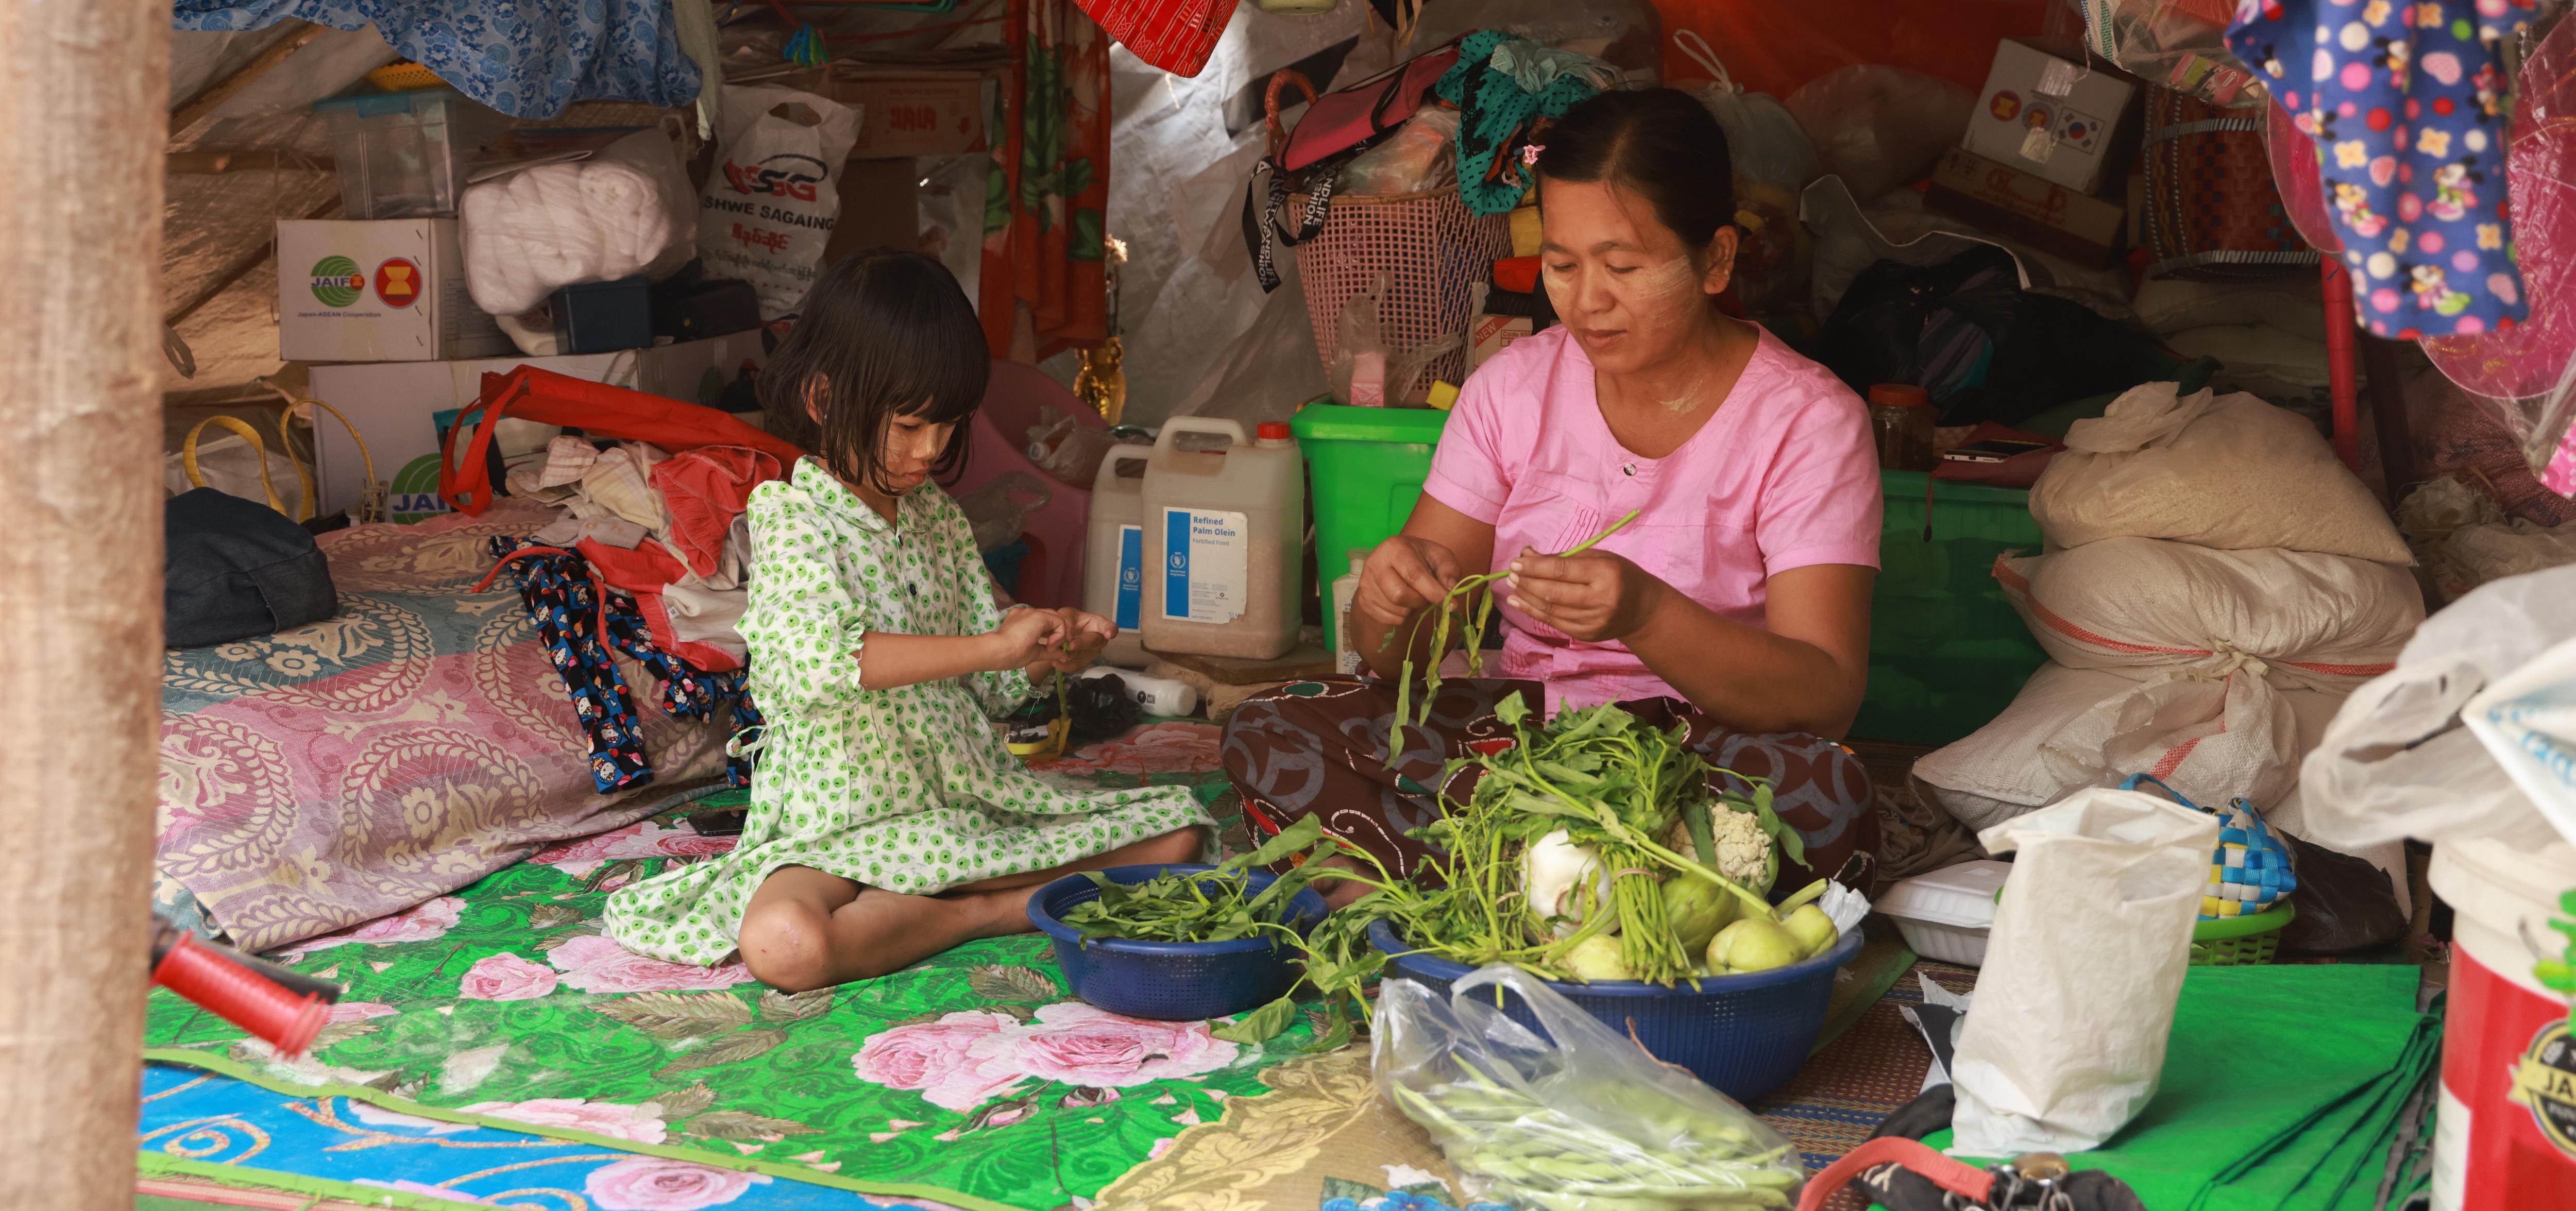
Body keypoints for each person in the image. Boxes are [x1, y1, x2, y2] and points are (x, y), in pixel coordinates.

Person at [1223, 88, 1885, 890]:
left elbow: (1827, 697)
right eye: (1563, 265)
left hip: (1701, 753)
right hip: (1527, 743)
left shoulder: (1808, 421)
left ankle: (1483, 880)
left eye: (1624, 266)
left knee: (1830, 795)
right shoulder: (1512, 389)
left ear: (1715, 259)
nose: (1587, 299)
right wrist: (1386, 602)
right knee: (1272, 722)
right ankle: (1573, 882)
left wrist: (1646, 613)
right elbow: (1402, 660)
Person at [604, 250, 1208, 990]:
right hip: (833, 830)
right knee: (784, 942)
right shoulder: (791, 517)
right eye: (911, 424)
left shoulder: (940, 521)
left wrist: (1050, 651)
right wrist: (991, 645)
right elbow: (821, 662)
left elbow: (991, 693)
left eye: (949, 426)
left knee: (1178, 836)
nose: (933, 450)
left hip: (957, 806)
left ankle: (949, 891)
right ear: (825, 400)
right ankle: (984, 909)